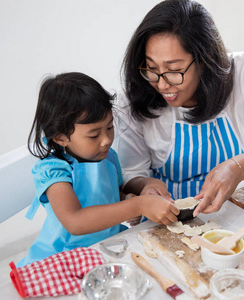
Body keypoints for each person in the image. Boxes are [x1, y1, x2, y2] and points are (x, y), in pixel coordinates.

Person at [116, 0, 244, 218]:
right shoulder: (135, 98)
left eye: (174, 70)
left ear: (203, 61)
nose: (162, 84)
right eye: (151, 68)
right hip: (168, 219)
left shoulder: (243, 71)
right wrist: (146, 185)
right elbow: (130, 171)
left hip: (236, 212)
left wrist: (238, 167)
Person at [17, 72, 178, 267]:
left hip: (106, 245)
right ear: (60, 137)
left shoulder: (109, 158)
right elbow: (75, 221)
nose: (106, 140)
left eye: (109, 128)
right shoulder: (54, 171)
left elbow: (109, 195)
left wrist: (127, 199)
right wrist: (138, 205)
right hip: (65, 256)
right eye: (94, 135)